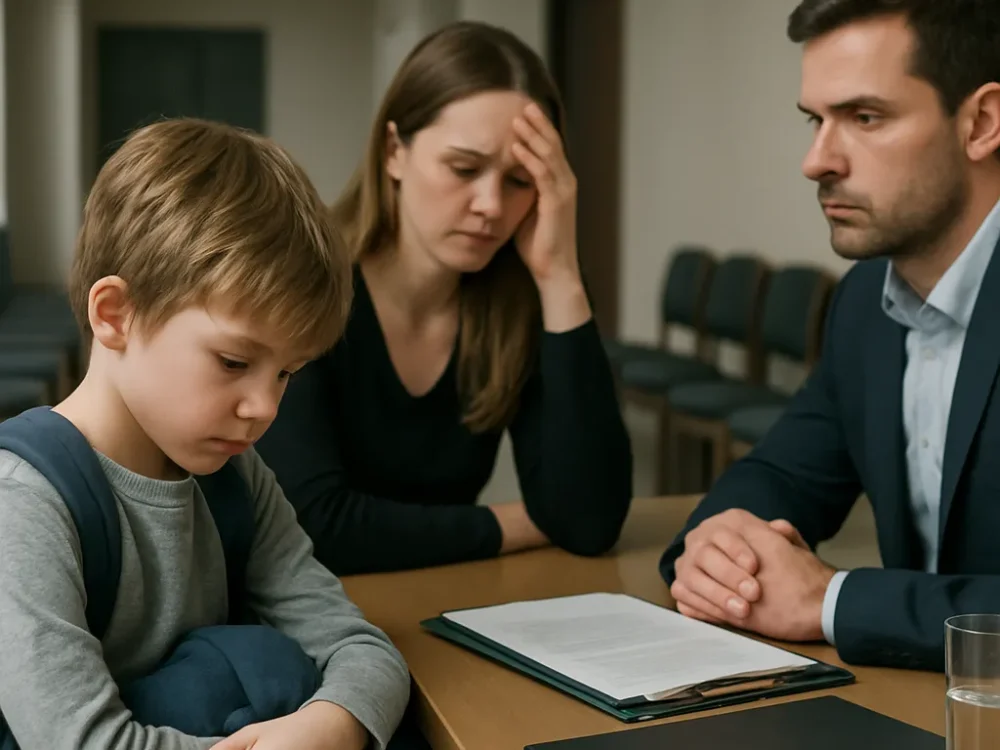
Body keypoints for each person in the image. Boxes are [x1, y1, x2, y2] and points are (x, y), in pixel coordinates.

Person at [0, 119, 410, 749]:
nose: (264, 407)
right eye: (234, 363)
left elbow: (358, 645)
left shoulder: (237, 480)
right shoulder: (25, 503)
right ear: (116, 315)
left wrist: (333, 722)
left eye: (286, 374)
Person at [660, 0, 1000, 673]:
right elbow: (786, 472)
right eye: (816, 121)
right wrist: (717, 550)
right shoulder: (865, 304)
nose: (816, 161)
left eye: (865, 118)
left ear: (982, 123)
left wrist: (831, 601)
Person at [255, 21, 633, 576]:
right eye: (464, 168)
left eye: (520, 181)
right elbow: (313, 526)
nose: (490, 205)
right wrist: (520, 524)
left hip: (443, 601)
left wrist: (561, 277)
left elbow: (589, 523)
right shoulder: (300, 279)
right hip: (299, 616)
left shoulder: (523, 300)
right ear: (394, 152)